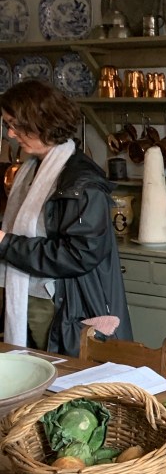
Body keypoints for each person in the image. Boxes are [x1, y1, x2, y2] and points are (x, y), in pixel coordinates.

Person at [0, 79, 132, 356]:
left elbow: (79, 255)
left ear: (41, 122)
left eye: (15, 125)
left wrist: (6, 243)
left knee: (54, 375)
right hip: (25, 294)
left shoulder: (81, 181)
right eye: (7, 124)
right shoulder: (32, 168)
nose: (10, 133)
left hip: (56, 305)